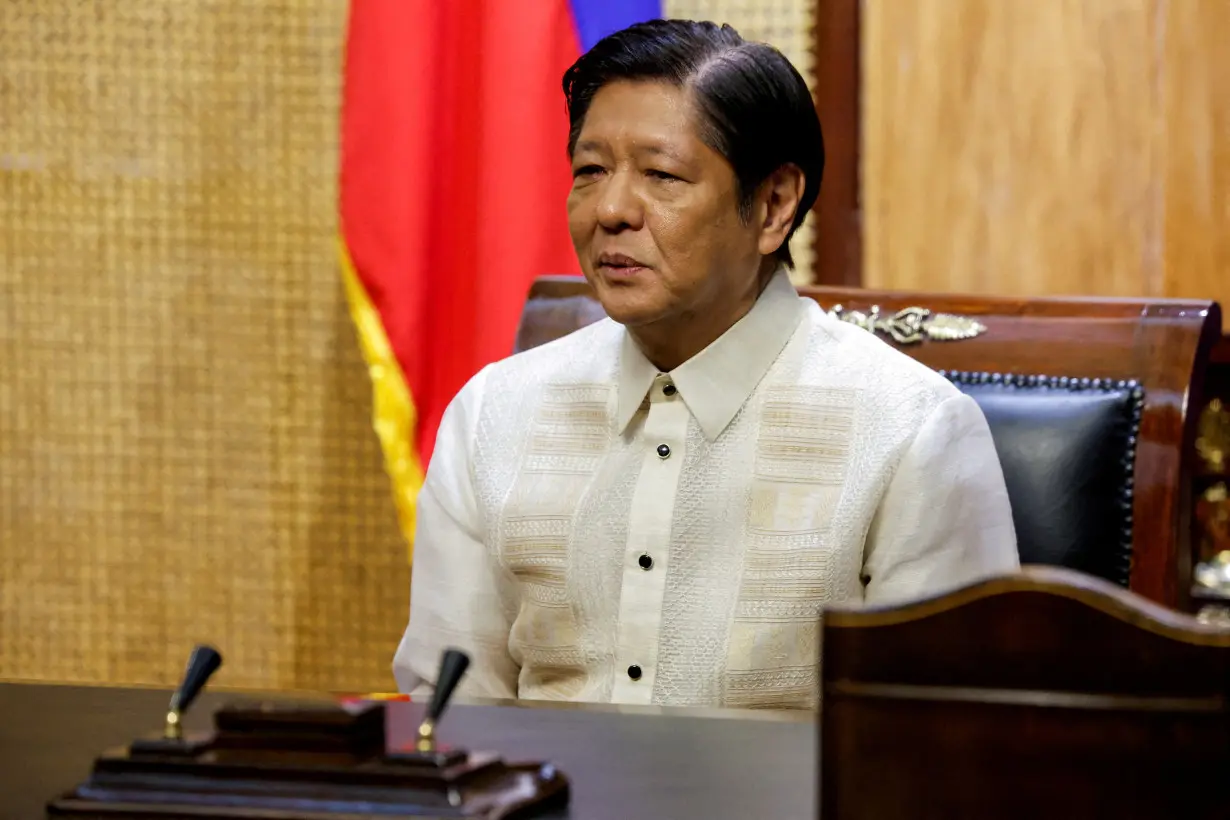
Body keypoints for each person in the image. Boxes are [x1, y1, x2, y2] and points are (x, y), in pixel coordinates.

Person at [393, 19, 1018, 709]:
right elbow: (451, 713)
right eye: (590, 171)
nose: (610, 209)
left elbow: (941, 746)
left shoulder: (911, 431)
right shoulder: (495, 413)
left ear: (775, 204)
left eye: (661, 175)